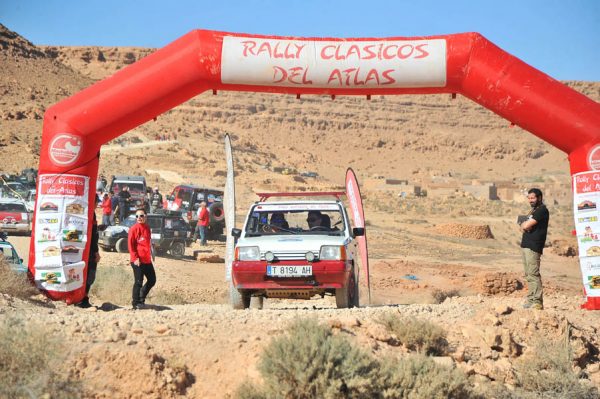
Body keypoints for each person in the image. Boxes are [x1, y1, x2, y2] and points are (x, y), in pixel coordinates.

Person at [519, 188, 549, 310]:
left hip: (534, 245)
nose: (531, 200)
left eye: (533, 198)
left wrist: (524, 225)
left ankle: (537, 301)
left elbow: (525, 225)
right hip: (526, 244)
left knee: (533, 274)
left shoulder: (542, 210)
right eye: (529, 198)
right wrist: (524, 226)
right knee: (528, 275)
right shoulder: (534, 210)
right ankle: (531, 299)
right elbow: (522, 227)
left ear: (539, 198)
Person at [128, 209, 156, 310]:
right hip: (137, 260)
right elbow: (131, 245)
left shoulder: (147, 228)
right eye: (137, 216)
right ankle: (135, 303)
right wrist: (135, 258)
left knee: (152, 280)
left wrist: (152, 249)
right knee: (138, 281)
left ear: (146, 216)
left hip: (147, 260)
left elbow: (147, 242)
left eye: (141, 215)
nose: (139, 218)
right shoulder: (134, 229)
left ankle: (141, 298)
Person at [76, 212, 100, 308]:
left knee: (86, 274)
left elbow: (94, 234)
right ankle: (82, 299)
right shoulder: (89, 212)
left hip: (82, 248)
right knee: (89, 274)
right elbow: (94, 235)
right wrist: (96, 251)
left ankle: (82, 298)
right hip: (87, 249)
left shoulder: (89, 211)